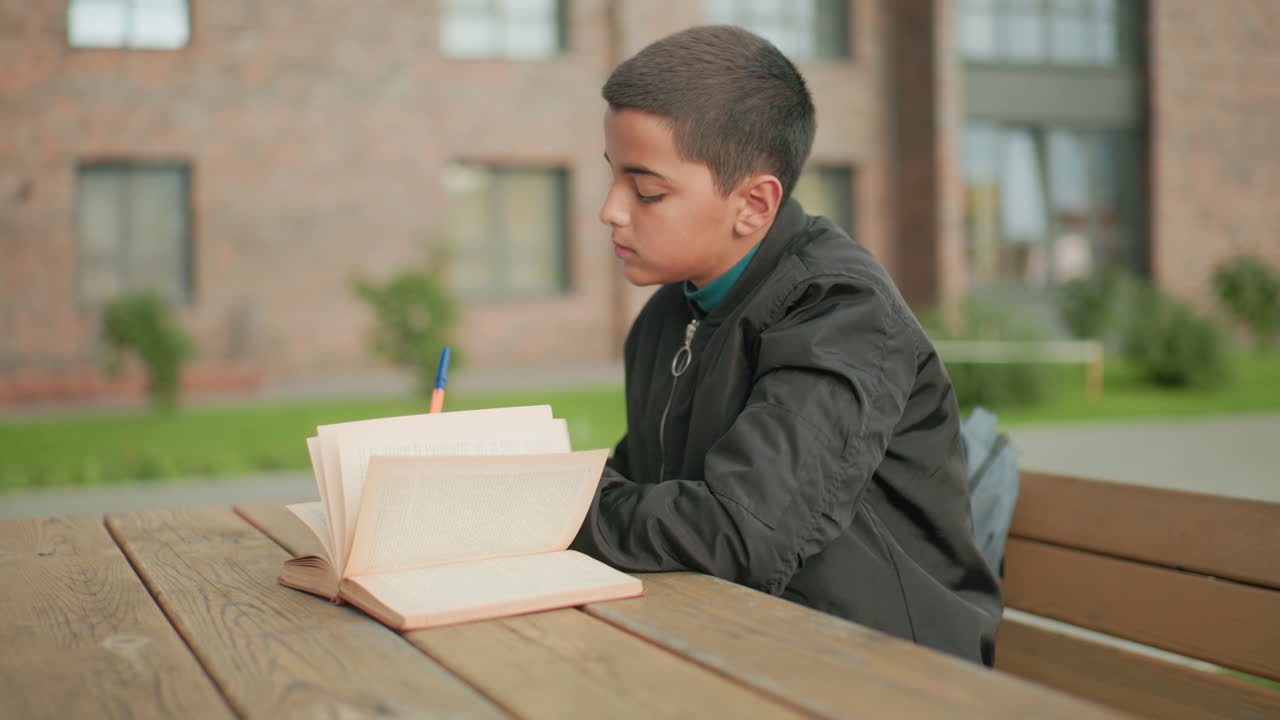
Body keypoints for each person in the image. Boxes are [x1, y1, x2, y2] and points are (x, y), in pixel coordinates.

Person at [570, 25, 1002, 665]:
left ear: (753, 204)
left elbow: (742, 532)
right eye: (614, 178)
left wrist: (555, 505)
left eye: (648, 190)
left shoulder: (841, 311)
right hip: (740, 637)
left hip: (886, 666)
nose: (610, 209)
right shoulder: (669, 316)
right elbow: (646, 489)